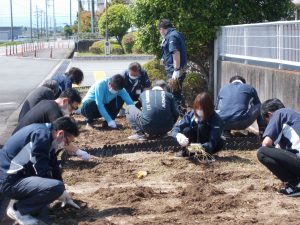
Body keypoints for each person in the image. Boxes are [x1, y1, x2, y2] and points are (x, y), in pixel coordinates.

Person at [0, 117, 80, 225]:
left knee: (54, 187)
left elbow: (53, 164)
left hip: (11, 176)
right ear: (60, 133)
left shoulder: (46, 133)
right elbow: (41, 168)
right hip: (8, 181)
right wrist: (56, 190)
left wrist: (63, 191)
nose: (65, 145)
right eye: (66, 141)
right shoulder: (41, 136)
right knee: (53, 187)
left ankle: (25, 209)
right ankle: (18, 210)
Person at [13, 88, 90, 161]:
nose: (72, 111)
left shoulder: (46, 103)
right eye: (73, 107)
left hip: (16, 140)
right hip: (20, 149)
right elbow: (61, 139)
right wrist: (79, 152)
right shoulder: (55, 113)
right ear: (65, 101)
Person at [257, 98, 300, 196]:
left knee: (262, 152)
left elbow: (266, 143)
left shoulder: (279, 114)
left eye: (267, 121)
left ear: (269, 114)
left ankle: (296, 184)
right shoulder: (295, 116)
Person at [172, 92, 224, 156]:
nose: (198, 110)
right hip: (193, 144)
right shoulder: (191, 114)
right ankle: (187, 152)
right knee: (186, 130)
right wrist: (178, 135)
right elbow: (176, 128)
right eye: (197, 108)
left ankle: (204, 153)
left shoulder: (216, 119)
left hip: (208, 144)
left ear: (208, 108)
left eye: (201, 108)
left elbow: (212, 142)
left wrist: (199, 147)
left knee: (202, 127)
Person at [159, 18, 187, 114]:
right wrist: (163, 58)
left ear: (162, 29)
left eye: (160, 30)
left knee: (174, 93)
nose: (160, 32)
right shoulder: (176, 34)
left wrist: (176, 69)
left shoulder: (171, 37)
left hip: (174, 70)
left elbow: (176, 52)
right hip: (176, 69)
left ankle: (180, 115)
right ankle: (182, 113)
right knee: (176, 92)